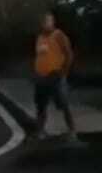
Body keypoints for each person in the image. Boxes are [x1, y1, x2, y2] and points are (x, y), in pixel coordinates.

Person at [33, 12, 78, 143]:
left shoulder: (59, 35)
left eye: (48, 21)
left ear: (53, 22)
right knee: (41, 105)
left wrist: (63, 72)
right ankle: (40, 132)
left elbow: (69, 55)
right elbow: (40, 56)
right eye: (44, 22)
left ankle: (72, 131)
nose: (46, 24)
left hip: (55, 76)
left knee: (63, 104)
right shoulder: (40, 37)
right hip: (41, 77)